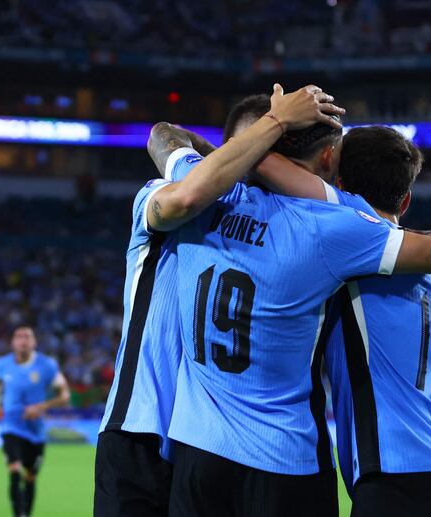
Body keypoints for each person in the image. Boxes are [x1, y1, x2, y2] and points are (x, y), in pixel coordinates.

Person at [149, 90, 431, 517]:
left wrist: (263, 132)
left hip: (371, 470)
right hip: (403, 467)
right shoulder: (373, 251)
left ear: (337, 180)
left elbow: (166, 137)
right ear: (407, 198)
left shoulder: (339, 223)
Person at [94, 83, 342, 517]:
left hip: (206, 444)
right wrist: (270, 126)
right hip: (142, 429)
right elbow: (172, 151)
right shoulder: (162, 194)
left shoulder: (290, 232)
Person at [236, 118, 431, 516]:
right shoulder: (416, 266)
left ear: (338, 182)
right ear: (404, 202)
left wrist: (276, 119)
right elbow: (397, 372)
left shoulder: (350, 227)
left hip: (395, 475)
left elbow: (263, 164)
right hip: (428, 473)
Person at [0, 326, 70, 517]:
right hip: (11, 427)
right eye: (18, 336)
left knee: (30, 477)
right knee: (14, 470)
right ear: (12, 342)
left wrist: (40, 407)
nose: (22, 340)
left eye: (27, 337)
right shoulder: (2, 364)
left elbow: (65, 395)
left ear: (34, 342)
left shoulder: (47, 365)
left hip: (36, 431)